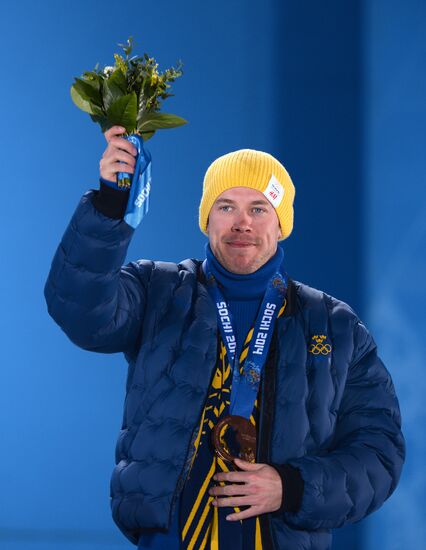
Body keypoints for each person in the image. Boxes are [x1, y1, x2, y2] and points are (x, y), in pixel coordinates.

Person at [44, 126, 405, 550]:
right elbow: (80, 309)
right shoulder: (156, 291)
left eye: (259, 209)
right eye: (226, 206)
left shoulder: (334, 325)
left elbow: (379, 453)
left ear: (281, 223)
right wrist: (108, 209)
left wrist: (290, 487)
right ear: (207, 218)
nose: (241, 223)